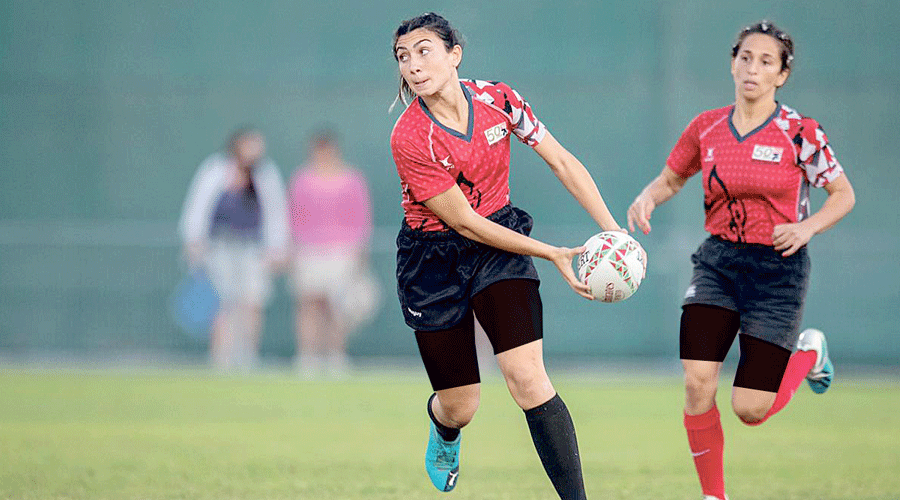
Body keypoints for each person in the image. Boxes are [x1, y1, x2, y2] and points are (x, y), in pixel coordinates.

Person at [389, 13, 624, 499]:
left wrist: (614, 230)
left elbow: (560, 158)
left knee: (527, 377)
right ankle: (443, 427)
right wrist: (554, 253)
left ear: (455, 54)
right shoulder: (410, 136)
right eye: (403, 56)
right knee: (462, 405)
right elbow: (465, 223)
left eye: (424, 50)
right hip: (433, 261)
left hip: (499, 251)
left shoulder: (499, 100)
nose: (413, 64)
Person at [626, 21, 855, 500]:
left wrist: (808, 226)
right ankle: (714, 496)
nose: (753, 68)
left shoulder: (801, 132)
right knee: (696, 382)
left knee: (750, 409)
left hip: (779, 269)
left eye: (766, 61)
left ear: (782, 75)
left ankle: (809, 354)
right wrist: (647, 198)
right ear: (733, 62)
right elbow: (672, 178)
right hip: (719, 264)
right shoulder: (707, 126)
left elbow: (842, 194)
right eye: (746, 57)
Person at [178, 128, 290, 370]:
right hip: (220, 247)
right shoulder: (216, 170)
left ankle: (248, 355)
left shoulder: (265, 175)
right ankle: (221, 356)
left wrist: (277, 249)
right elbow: (198, 207)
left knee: (252, 301)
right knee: (221, 302)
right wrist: (194, 242)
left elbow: (275, 213)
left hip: (253, 249)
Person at [288, 129, 375, 378]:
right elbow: (294, 217)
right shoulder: (302, 180)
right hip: (309, 250)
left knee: (338, 308)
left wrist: (360, 251)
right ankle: (307, 358)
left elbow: (361, 217)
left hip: (342, 251)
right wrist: (293, 249)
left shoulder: (352, 179)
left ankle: (335, 356)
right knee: (309, 304)